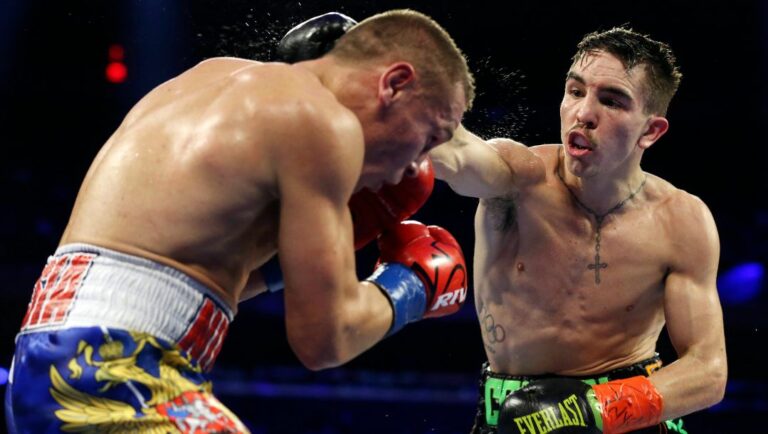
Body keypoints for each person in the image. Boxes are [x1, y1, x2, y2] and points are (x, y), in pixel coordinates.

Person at [5, 9, 475, 433]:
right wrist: (413, 284)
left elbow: (185, 277)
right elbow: (326, 338)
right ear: (394, 83)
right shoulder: (323, 122)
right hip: (119, 372)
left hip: (54, 360)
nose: (412, 167)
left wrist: (287, 262)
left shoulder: (210, 79)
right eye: (431, 135)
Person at [428, 27, 727, 433]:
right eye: (575, 91)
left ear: (651, 131)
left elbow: (708, 372)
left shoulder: (681, 219)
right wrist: (375, 88)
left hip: (632, 421)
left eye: (611, 101)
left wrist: (589, 410)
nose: (584, 113)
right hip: (509, 418)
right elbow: (457, 153)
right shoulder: (517, 179)